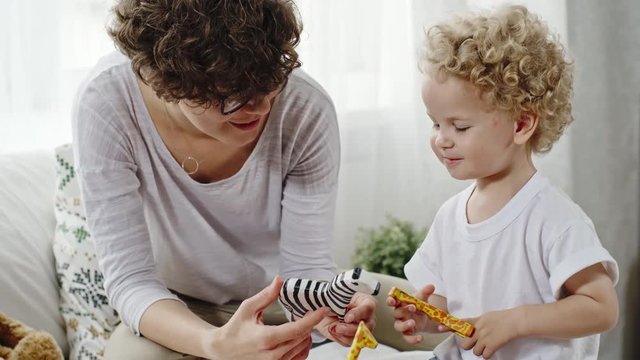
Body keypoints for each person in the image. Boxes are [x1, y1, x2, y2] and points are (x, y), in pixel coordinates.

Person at [71, 0, 376, 359]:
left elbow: (306, 268)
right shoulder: (107, 103)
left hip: (279, 297)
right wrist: (214, 345)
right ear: (164, 78)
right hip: (176, 307)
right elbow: (131, 281)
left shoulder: (303, 108)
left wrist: (324, 312)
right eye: (232, 97)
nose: (261, 108)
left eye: (271, 81)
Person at [386, 5, 619, 360]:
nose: (442, 140)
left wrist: (518, 320)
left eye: (459, 127)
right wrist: (427, 316)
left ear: (522, 125)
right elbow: (449, 303)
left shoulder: (554, 219)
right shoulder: (451, 217)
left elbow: (602, 308)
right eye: (436, 124)